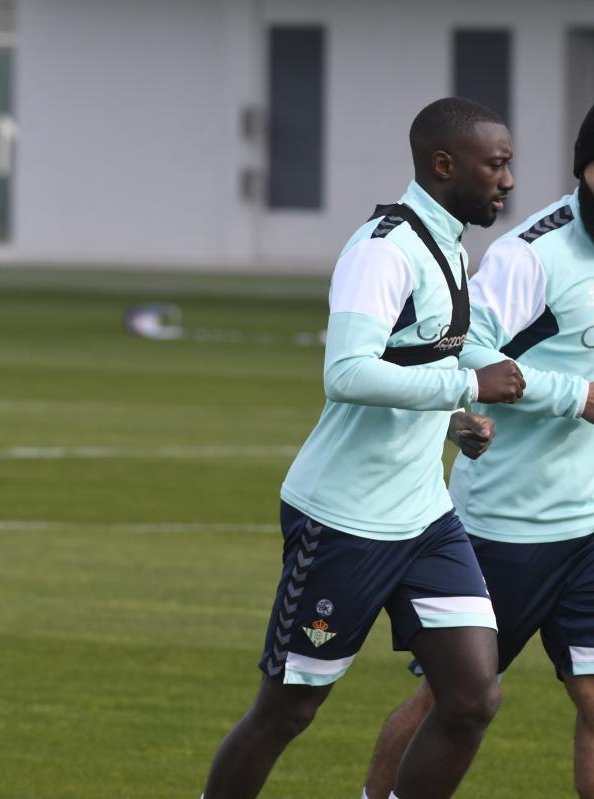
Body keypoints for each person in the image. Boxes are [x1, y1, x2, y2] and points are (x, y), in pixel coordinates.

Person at [202, 97, 525, 799]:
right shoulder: (382, 249)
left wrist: (454, 415)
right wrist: (466, 382)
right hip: (342, 521)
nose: (507, 181)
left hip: (423, 517)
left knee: (472, 697)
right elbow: (346, 373)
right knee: (287, 710)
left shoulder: (450, 244)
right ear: (445, 164)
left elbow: (414, 364)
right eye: (496, 164)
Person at [363, 92, 594, 799]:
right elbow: (460, 355)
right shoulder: (530, 255)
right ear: (580, 168)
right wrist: (577, 398)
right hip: (500, 529)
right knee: (450, 705)